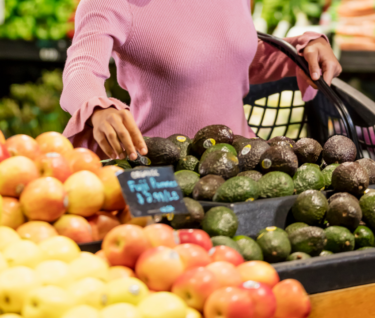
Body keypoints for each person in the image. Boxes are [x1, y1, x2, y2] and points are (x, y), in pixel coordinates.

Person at [60, 0, 342, 161]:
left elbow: (229, 59)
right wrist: (97, 108)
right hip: (163, 171)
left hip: (245, 162)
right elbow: (81, 69)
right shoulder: (109, 3)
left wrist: (304, 49)